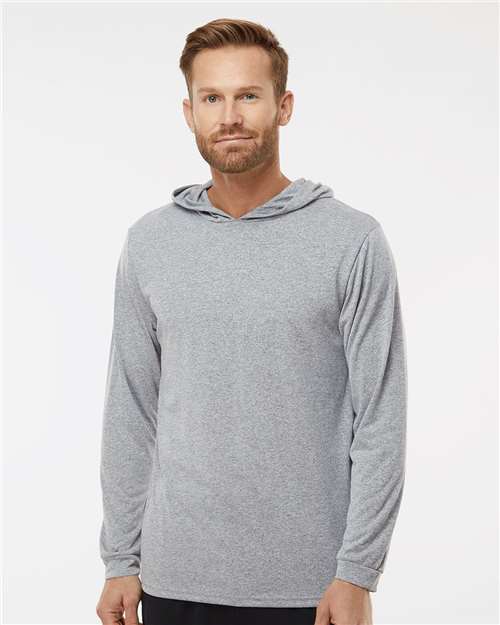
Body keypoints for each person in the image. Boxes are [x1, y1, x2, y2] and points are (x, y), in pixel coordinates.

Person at [96, 17, 407, 625]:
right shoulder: (151, 242)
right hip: (172, 578)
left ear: (283, 106)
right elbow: (130, 410)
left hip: (310, 586)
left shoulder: (351, 241)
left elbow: (380, 419)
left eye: (248, 96)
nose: (230, 116)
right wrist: (120, 559)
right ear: (189, 112)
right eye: (212, 98)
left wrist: (357, 572)